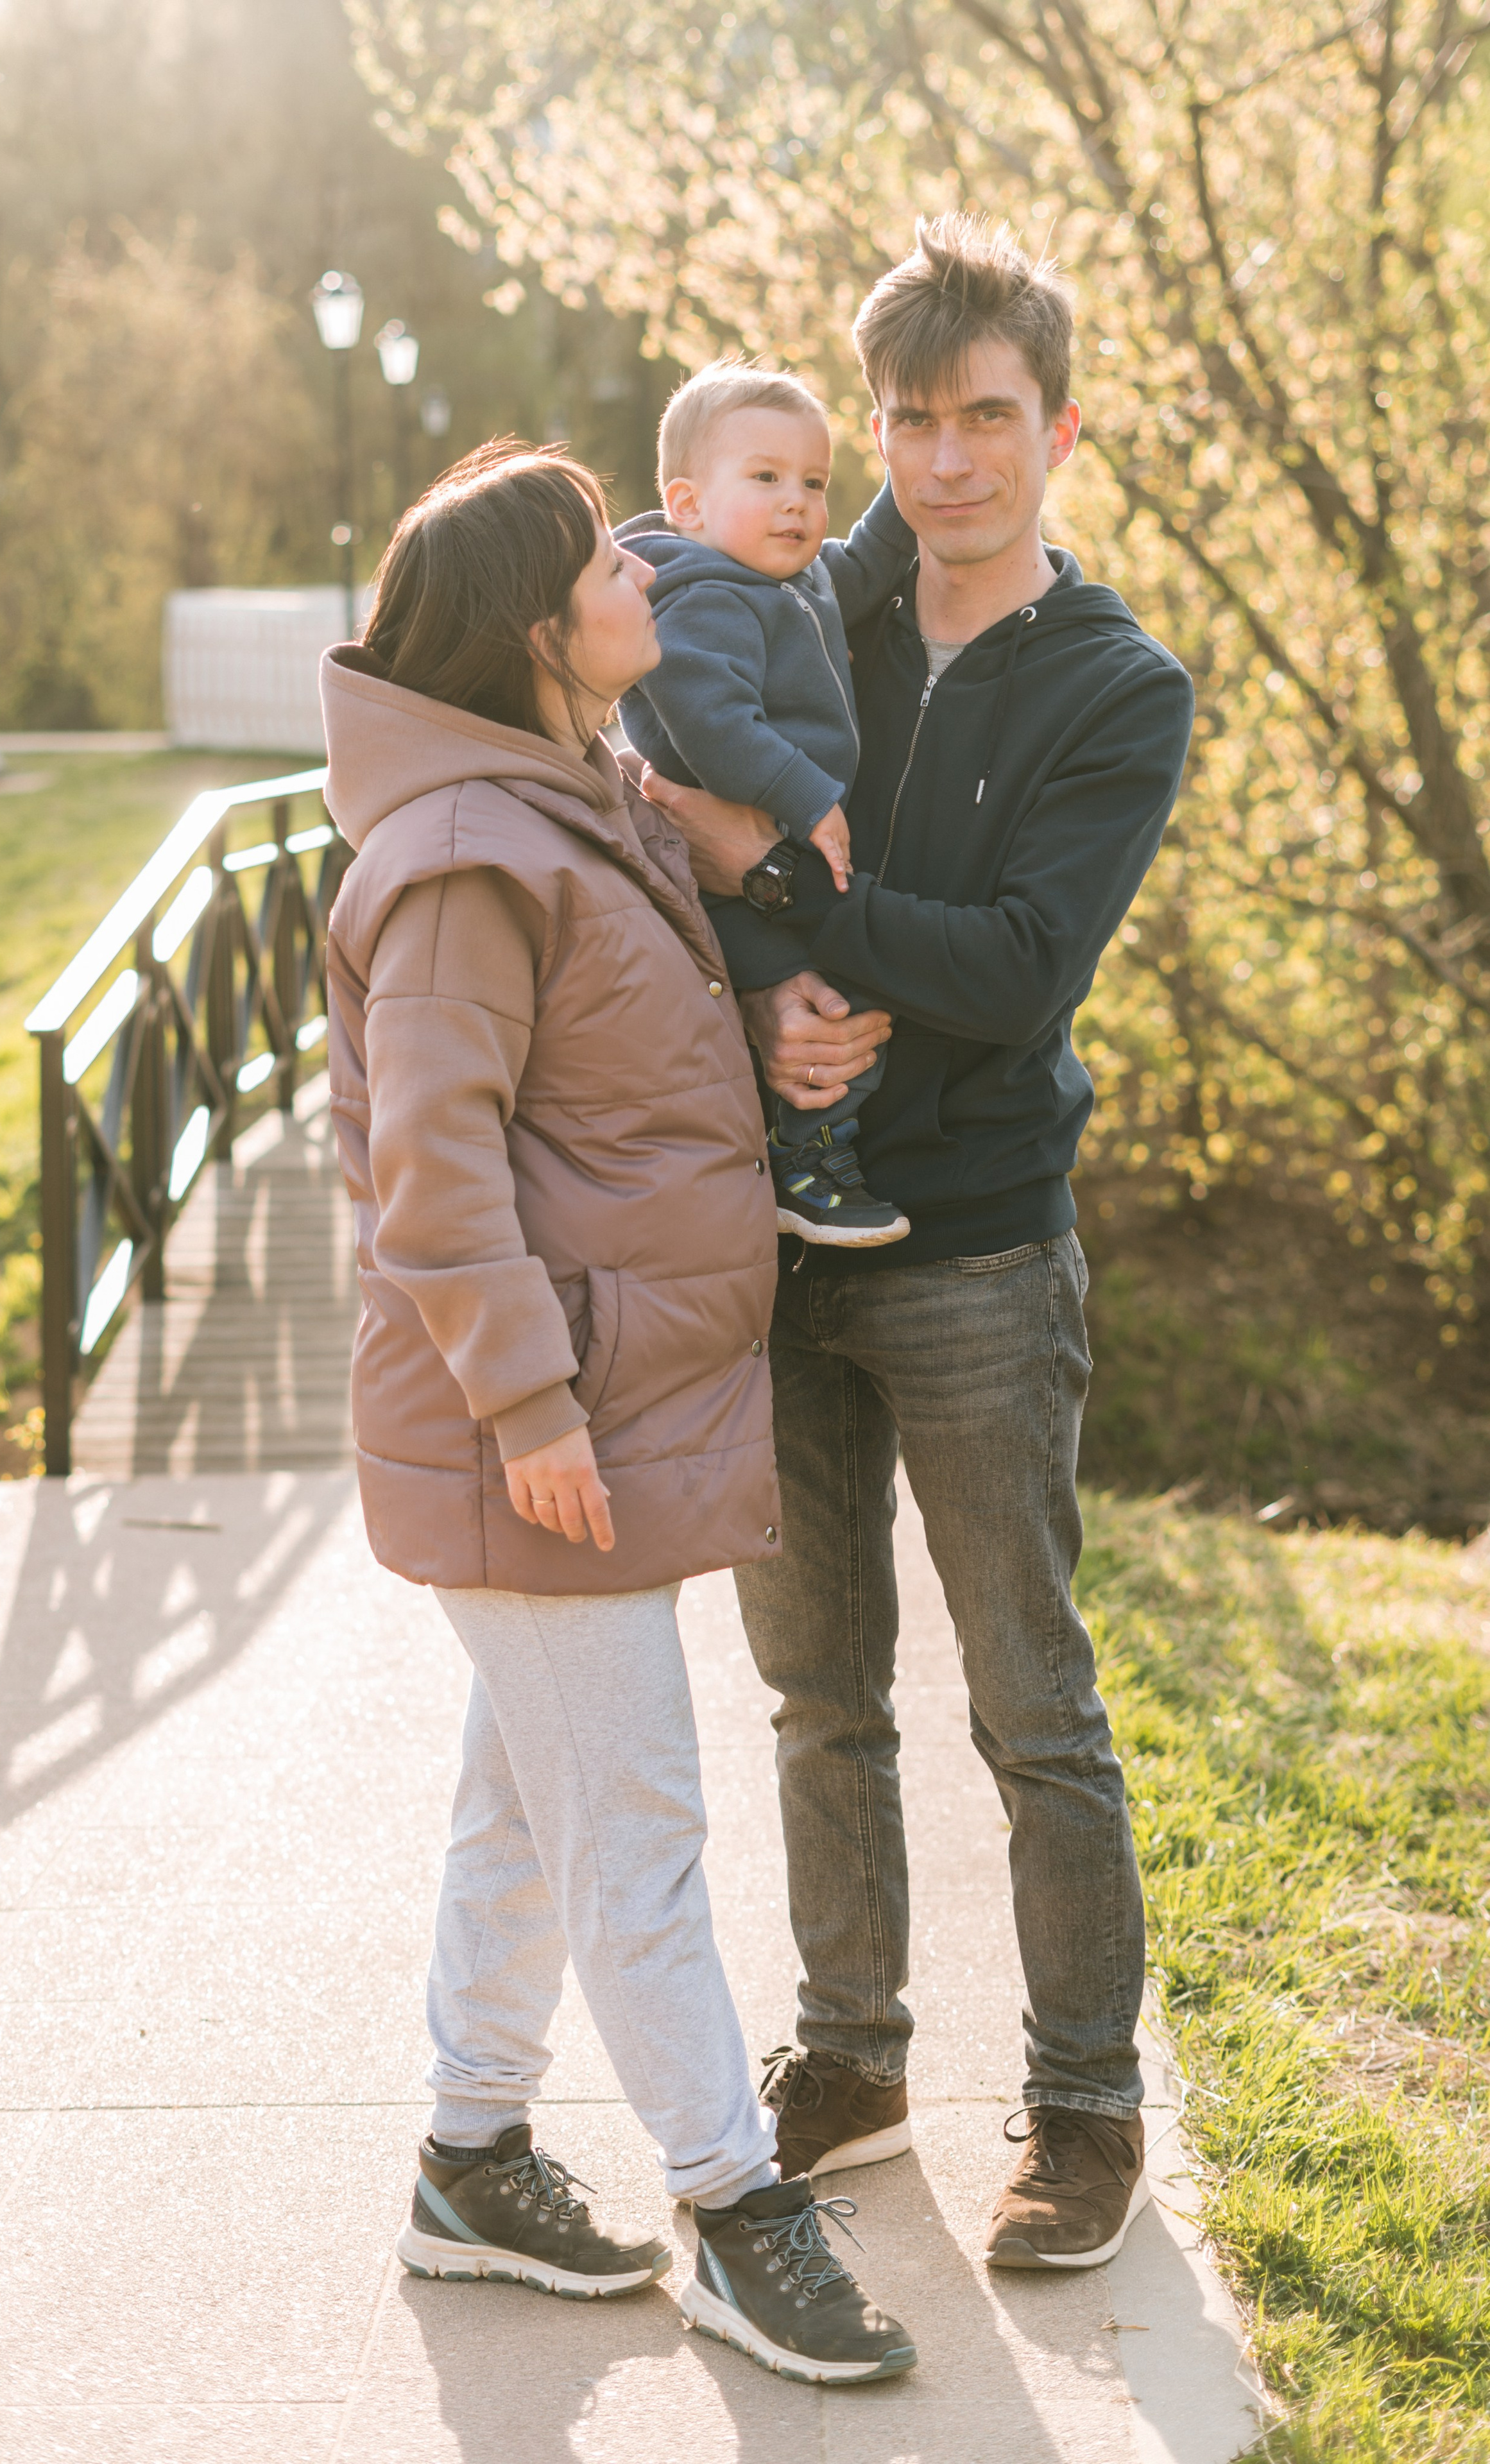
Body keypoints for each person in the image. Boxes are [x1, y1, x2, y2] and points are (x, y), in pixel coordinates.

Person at [318, 440, 916, 2383]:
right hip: (543, 1421)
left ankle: (470, 2154)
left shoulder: (571, 803)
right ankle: (738, 2209)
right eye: (607, 562)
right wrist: (530, 1407)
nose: (644, 575)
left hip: (596, 1401)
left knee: (530, 1806)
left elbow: (614, 1071)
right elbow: (432, 1165)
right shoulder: (466, 860)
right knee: (635, 1815)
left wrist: (776, 1027)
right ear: (534, 631)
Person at [643, 216, 1197, 2271]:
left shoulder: (1121, 685)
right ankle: (856, 2056)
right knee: (818, 1698)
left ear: (1056, 426)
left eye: (986, 420)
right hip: (778, 1243)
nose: (942, 463)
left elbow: (1020, 966)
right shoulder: (787, 579)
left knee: (1030, 1704)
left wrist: (800, 898)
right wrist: (757, 1001)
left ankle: (1079, 2106)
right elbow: (642, 755)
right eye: (907, 421)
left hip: (973, 1248)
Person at [616, 363, 915, 1249]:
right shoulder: (704, 597)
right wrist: (808, 796)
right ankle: (807, 1164)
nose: (798, 504)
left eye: (815, 483)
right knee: (829, 1008)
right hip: (721, 875)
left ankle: (804, 1153)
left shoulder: (790, 579)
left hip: (774, 853)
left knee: (836, 993)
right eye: (767, 479)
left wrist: (907, 479)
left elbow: (858, 567)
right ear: (689, 504)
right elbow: (715, 727)